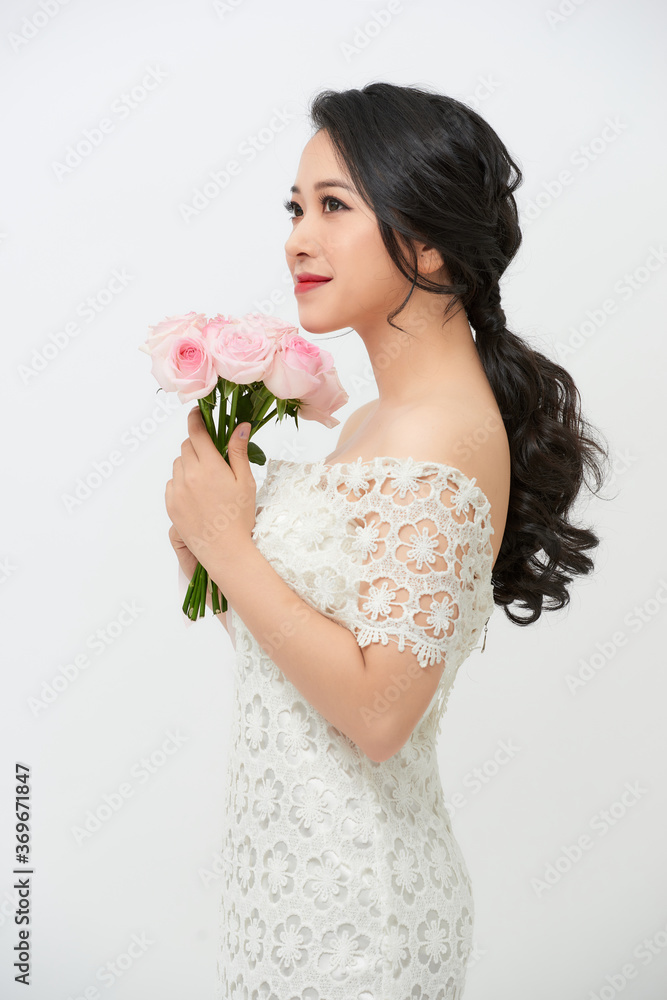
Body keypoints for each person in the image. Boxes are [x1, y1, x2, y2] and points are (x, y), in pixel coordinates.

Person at [166, 82, 610, 999]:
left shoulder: (438, 433)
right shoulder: (374, 422)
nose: (297, 237)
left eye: (334, 206)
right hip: (287, 890)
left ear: (430, 237)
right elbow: (314, 672)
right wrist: (212, 556)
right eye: (295, 207)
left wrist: (233, 550)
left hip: (352, 922)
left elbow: (377, 716)